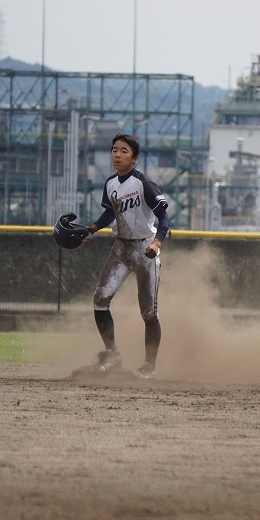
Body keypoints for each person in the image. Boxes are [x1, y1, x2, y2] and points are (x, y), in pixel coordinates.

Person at [74, 133, 170, 380]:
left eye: (124, 151)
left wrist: (157, 242)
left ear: (135, 158)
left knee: (149, 312)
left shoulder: (143, 184)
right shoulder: (110, 184)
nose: (117, 154)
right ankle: (112, 354)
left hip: (146, 249)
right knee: (100, 299)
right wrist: (93, 227)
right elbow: (110, 213)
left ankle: (149, 365)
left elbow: (165, 218)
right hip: (121, 248)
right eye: (114, 149)